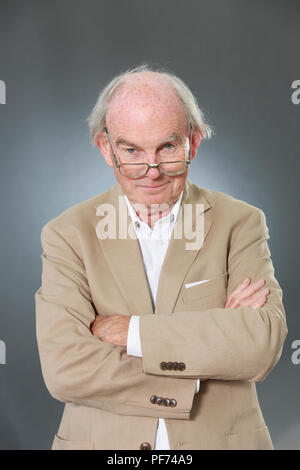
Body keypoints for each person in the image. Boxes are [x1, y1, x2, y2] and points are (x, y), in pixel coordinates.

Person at [35, 64, 287, 450]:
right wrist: (208, 355)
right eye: (131, 150)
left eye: (167, 147)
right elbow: (65, 369)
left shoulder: (242, 222)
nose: (150, 171)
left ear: (193, 143)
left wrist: (130, 332)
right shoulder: (66, 234)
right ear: (106, 148)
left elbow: (260, 344)